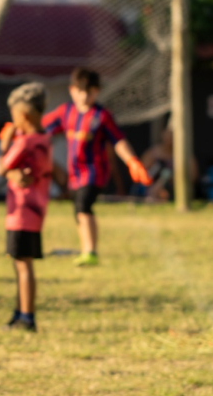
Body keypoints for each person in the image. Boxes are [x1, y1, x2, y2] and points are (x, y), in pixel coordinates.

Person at [43, 68, 151, 266]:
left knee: (84, 206)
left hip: (94, 173)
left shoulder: (101, 116)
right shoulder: (66, 112)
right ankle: (85, 249)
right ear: (72, 90)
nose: (84, 96)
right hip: (74, 174)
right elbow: (40, 128)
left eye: (90, 92)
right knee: (78, 209)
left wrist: (132, 161)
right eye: (80, 91)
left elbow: (118, 141)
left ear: (97, 92)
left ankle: (91, 252)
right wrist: (16, 128)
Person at [0, 83, 52, 332]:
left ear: (23, 115)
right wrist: (13, 174)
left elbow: (1, 167)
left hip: (22, 213)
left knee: (23, 264)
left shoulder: (25, 142)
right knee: (20, 262)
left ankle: (27, 317)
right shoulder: (43, 138)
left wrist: (5, 144)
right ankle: (20, 312)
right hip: (35, 211)